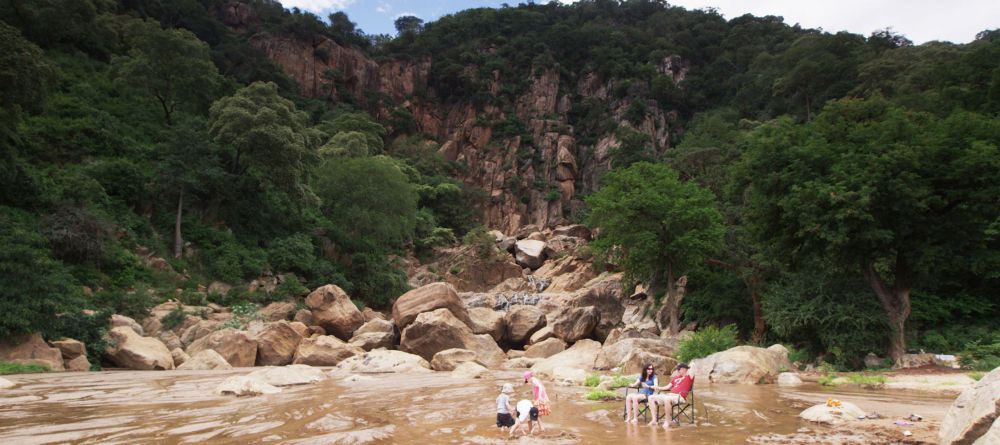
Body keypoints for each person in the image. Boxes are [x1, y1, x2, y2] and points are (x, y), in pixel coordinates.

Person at [647, 363, 694, 428]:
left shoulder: (689, 377)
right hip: (669, 395)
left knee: (667, 399)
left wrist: (687, 366)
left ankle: (667, 421)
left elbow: (693, 367)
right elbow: (667, 387)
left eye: (679, 369)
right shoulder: (675, 378)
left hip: (679, 397)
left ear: (684, 369)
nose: (678, 371)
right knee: (651, 397)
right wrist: (657, 387)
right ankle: (654, 420)